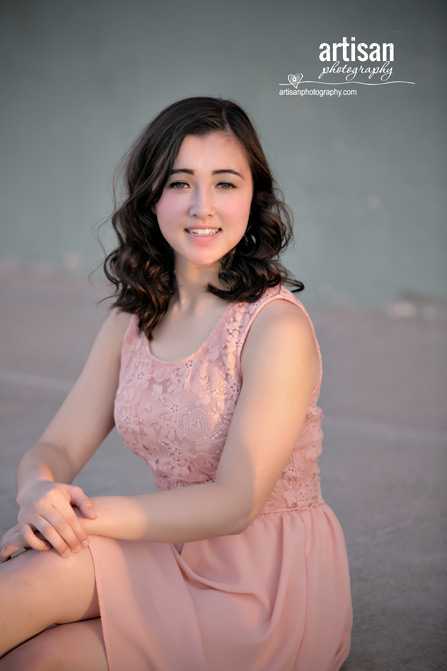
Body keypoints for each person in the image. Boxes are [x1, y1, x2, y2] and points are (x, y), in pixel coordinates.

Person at [0, 96, 352, 670]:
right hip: (171, 552)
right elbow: (57, 447)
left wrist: (76, 518)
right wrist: (37, 494)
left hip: (262, 588)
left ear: (253, 198)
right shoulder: (134, 318)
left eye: (226, 184)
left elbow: (236, 504)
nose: (202, 206)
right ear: (152, 198)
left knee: (42, 586)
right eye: (181, 182)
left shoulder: (274, 326)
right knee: (31, 650)